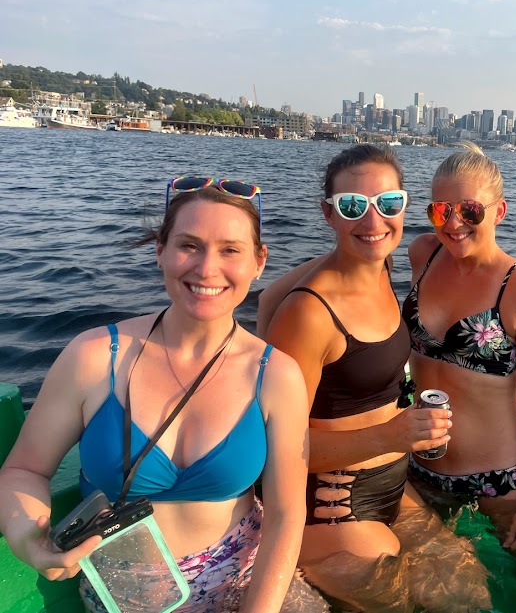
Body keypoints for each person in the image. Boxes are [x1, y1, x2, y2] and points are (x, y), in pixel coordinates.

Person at [0, 177, 315, 612]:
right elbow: (24, 470)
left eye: (230, 249)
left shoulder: (276, 375)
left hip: (248, 578)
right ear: (160, 251)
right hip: (127, 592)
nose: (207, 268)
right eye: (189, 245)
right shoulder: (94, 357)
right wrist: (28, 541)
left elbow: (285, 513)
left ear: (259, 262)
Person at [260, 145, 489, 611]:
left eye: (387, 204)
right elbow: (275, 453)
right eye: (352, 207)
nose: (373, 222)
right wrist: (392, 434)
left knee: (470, 595)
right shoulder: (309, 314)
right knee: (399, 602)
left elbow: (267, 297)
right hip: (332, 503)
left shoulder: (381, 264)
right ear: (329, 213)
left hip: (391, 485)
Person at [402, 142, 516, 550]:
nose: (454, 222)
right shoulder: (422, 254)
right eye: (441, 210)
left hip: (503, 480)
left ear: (499, 211)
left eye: (470, 210)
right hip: (422, 471)